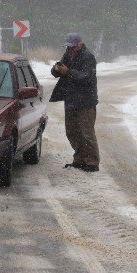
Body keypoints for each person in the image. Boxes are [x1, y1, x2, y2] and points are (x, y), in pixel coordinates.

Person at [49, 32, 100, 171]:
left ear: (78, 44)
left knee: (86, 132)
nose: (68, 49)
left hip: (85, 101)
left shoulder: (88, 57)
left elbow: (86, 77)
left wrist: (68, 72)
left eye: (70, 47)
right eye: (67, 46)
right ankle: (79, 159)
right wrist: (56, 68)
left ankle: (92, 162)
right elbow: (57, 72)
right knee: (72, 131)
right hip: (71, 99)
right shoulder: (68, 54)